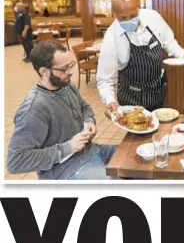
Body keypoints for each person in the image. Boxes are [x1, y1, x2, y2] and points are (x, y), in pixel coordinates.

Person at [7, 41, 116, 180]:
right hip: (65, 169)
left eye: (71, 65)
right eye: (65, 69)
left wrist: (89, 121)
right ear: (44, 72)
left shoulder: (65, 85)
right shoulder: (34, 109)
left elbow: (84, 107)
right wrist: (69, 147)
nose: (71, 72)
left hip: (90, 151)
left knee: (134, 159)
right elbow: (16, 161)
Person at [97, 0, 184, 114]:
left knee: (157, 127)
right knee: (136, 128)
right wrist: (110, 101)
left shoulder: (153, 17)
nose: (129, 20)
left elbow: (168, 41)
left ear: (139, 8)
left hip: (156, 91)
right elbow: (105, 79)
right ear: (114, 15)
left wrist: (182, 54)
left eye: (133, 15)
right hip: (131, 98)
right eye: (122, 18)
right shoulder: (111, 38)